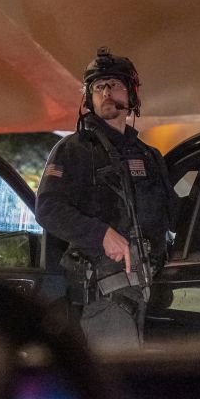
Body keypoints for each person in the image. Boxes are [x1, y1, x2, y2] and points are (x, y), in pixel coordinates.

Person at [35, 47, 177, 353]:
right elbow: (47, 208)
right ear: (89, 98)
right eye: (98, 87)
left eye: (115, 85)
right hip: (107, 297)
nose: (106, 93)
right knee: (119, 376)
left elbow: (174, 214)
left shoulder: (149, 156)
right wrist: (100, 234)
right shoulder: (73, 150)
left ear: (132, 95)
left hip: (154, 291)